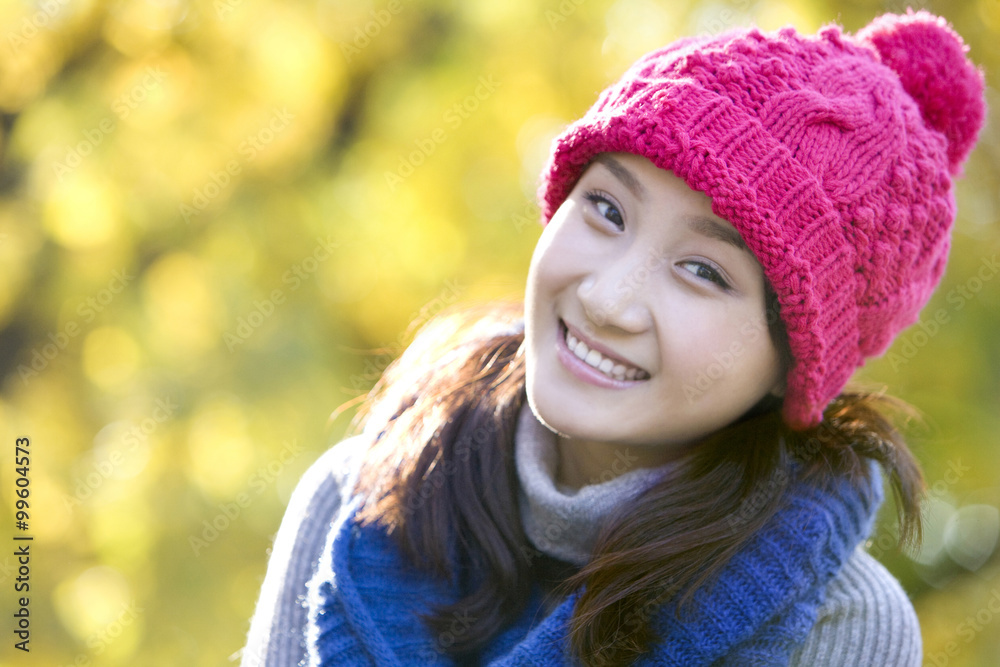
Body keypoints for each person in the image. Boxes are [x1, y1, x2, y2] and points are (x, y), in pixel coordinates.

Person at [241, 10, 985, 666]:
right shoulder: (360, 499)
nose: (607, 298)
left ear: (788, 368)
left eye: (701, 270)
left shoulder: (842, 625)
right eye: (606, 209)